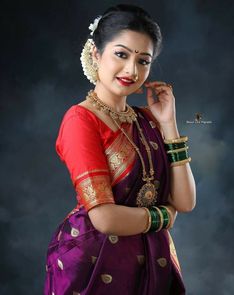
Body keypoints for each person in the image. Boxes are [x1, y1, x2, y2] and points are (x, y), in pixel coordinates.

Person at [44, 4, 196, 295]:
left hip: (151, 259)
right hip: (94, 262)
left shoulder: (148, 119)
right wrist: (163, 217)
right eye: (121, 54)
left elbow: (186, 202)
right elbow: (104, 218)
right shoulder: (80, 120)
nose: (131, 70)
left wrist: (169, 123)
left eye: (143, 61)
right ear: (96, 54)